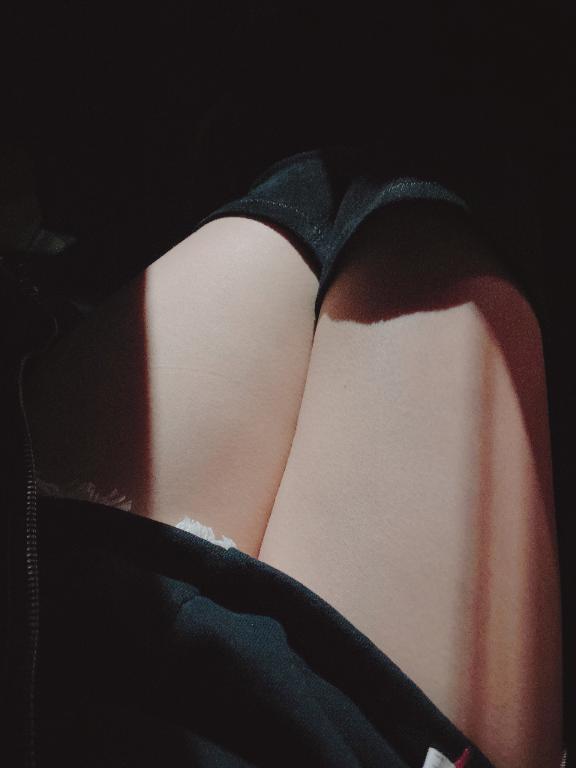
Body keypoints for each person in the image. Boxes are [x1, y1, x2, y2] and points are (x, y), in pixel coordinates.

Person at [21, 146, 564, 767]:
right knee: (421, 219)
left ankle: (332, 138)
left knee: (294, 208)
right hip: (322, 741)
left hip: (55, 636)